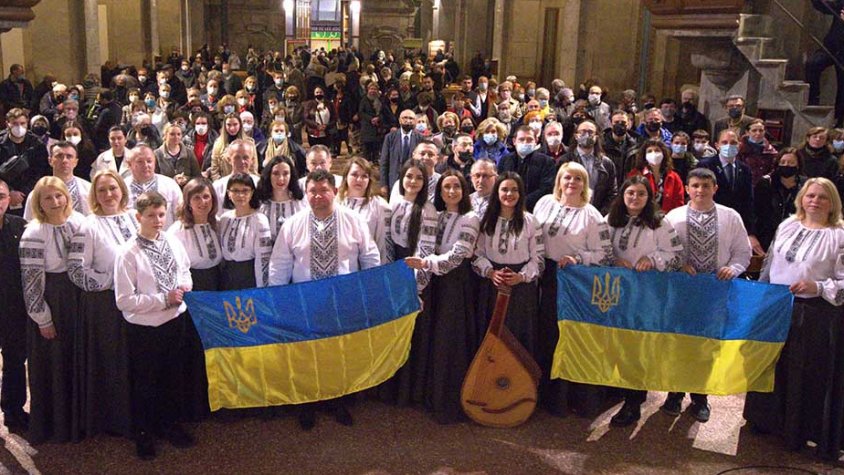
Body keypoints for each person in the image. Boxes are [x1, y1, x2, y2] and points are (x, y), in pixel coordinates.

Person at [269, 169, 380, 429]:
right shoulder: (293, 224)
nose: (318, 196)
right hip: (304, 301)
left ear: (334, 191)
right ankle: (307, 404)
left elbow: (370, 257)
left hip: (342, 300)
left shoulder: (354, 220)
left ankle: (337, 402)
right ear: (306, 194)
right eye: (313, 191)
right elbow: (280, 263)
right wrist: (277, 296)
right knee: (305, 355)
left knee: (338, 353)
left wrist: (371, 290)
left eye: (324, 190)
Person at [743, 177, 844, 461]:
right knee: (773, 364)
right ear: (801, 198)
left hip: (815, 314)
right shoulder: (787, 225)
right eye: (810, 195)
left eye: (822, 197)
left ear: (832, 203)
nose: (814, 201)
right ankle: (767, 421)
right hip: (777, 306)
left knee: (804, 371)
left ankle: (798, 430)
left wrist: (818, 287)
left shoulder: (839, 235)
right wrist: (761, 296)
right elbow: (770, 262)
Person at [664, 168, 752, 423]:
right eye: (695, 185)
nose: (700, 190)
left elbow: (742, 253)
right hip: (682, 291)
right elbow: (664, 250)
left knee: (708, 345)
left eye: (705, 185)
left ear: (715, 188)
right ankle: (674, 392)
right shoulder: (674, 216)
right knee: (679, 343)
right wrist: (678, 265)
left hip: (715, 292)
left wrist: (732, 268)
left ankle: (700, 396)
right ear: (688, 189)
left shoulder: (730, 217)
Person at [114, 191, 195, 460]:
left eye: (161, 214)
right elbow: (124, 300)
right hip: (145, 329)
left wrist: (184, 286)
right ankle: (143, 433)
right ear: (138, 217)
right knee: (145, 382)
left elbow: (185, 270)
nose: (158, 220)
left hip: (174, 321)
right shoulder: (128, 253)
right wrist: (163, 299)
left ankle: (170, 425)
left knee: (172, 377)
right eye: (151, 215)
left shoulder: (172, 240)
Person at [533, 162, 613, 417]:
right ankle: (539, 393)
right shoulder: (545, 202)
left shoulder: (592, 215)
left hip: (570, 280)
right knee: (542, 335)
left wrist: (579, 259)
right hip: (539, 273)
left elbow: (605, 253)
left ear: (585, 184)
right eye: (567, 177)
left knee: (562, 336)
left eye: (578, 179)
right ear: (559, 180)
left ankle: (562, 398)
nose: (572, 183)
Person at [605, 176, 684, 426]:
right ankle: (619, 388)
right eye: (630, 193)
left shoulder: (659, 223)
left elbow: (676, 256)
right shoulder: (611, 219)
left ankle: (634, 401)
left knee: (637, 345)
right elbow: (600, 246)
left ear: (649, 197)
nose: (634, 198)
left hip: (647, 293)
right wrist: (614, 260)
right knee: (618, 341)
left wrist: (652, 259)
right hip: (617, 291)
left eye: (640, 194)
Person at [404, 170, 480, 423]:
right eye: (446, 187)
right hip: (433, 281)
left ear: (463, 190)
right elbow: (424, 245)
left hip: (455, 282)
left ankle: (447, 399)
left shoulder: (470, 218)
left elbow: (459, 254)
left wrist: (426, 263)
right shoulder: (434, 215)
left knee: (450, 338)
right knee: (431, 336)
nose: (451, 192)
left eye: (456, 187)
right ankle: (427, 394)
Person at [66, 169, 136, 438]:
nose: (108, 195)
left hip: (135, 300)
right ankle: (113, 421)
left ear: (122, 190)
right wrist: (113, 281)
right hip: (104, 304)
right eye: (102, 190)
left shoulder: (133, 218)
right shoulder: (89, 225)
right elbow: (76, 269)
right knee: (110, 361)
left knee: (133, 358)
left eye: (113, 188)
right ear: (94, 195)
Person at [19, 176, 86, 443]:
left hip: (78, 297)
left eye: (59, 195)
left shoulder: (79, 222)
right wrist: (42, 318)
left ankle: (81, 421)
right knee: (55, 363)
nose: (55, 201)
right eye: (48, 198)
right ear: (39, 203)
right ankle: (56, 425)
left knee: (76, 358)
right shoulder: (34, 233)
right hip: (53, 299)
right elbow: (31, 281)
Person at [380, 159, 438, 406]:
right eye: (409, 177)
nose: (413, 182)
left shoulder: (428, 210)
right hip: (395, 269)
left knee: (414, 331)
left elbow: (424, 250)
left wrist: (417, 289)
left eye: (418, 178)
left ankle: (409, 392)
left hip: (414, 274)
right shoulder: (394, 204)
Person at [473, 172, 545, 365]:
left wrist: (521, 277)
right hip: (492, 285)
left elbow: (538, 259)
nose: (509, 194)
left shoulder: (530, 221)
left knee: (518, 338)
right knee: (490, 337)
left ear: (521, 194)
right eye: (504, 189)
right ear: (497, 192)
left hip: (521, 289)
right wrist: (490, 272)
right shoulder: (486, 220)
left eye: (514, 190)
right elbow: (477, 254)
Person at [168, 178, 222, 422]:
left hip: (216, 287)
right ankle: (194, 405)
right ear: (187, 201)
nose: (203, 202)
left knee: (214, 347)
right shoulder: (176, 231)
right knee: (192, 348)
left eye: (207, 196)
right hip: (193, 292)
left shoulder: (217, 224)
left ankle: (217, 400)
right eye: (197, 197)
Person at [697, 129, 763, 255]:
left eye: (733, 142)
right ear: (717, 145)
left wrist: (750, 233)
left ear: (739, 145)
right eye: (725, 142)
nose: (729, 146)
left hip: (734, 226)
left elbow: (748, 203)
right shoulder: (706, 165)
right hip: (709, 224)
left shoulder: (744, 169)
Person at [0, 179, 28, 431]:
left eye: (1, 196)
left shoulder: (21, 226)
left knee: (15, 361)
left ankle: (13, 410)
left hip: (12, 308)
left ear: (10, 199)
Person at [218, 173, 272, 289]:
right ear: (228, 193)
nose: (240, 195)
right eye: (235, 191)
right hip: (227, 277)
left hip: (250, 276)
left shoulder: (259, 220)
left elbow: (263, 259)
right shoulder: (224, 219)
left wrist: (262, 289)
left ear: (252, 193)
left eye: (245, 191)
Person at [337, 156, 390, 263]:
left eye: (364, 176)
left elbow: (383, 244)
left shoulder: (379, 205)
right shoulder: (335, 202)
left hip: (368, 266)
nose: (359, 180)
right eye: (354, 175)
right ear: (346, 176)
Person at [753, 147, 807, 252]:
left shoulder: (804, 185)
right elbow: (755, 211)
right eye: (783, 162)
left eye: (791, 163)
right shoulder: (766, 183)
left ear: (798, 165)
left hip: (794, 236)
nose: (786, 165)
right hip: (766, 236)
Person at [558, 120, 618, 214]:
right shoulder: (565, 161)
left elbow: (612, 193)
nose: (586, 135)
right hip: (569, 212)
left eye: (590, 132)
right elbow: (558, 189)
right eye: (582, 132)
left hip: (597, 214)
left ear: (596, 137)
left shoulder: (607, 163)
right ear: (576, 136)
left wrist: (600, 214)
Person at [23, 141, 91, 220]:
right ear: (50, 161)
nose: (64, 160)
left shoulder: (89, 189)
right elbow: (29, 223)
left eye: (69, 156)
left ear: (76, 162)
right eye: (59, 156)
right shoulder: (37, 193)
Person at [0, 108, 49, 216]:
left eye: (22, 123)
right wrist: (9, 192)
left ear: (27, 123)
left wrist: (24, 193)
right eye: (15, 123)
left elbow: (41, 172)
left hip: (30, 195)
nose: (19, 127)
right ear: (7, 123)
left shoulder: (37, 145)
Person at [124, 144, 183, 227]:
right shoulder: (122, 188)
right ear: (129, 164)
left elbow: (181, 217)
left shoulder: (170, 185)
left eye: (149, 161)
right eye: (140, 162)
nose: (146, 165)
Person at [806, 0, 844, 126]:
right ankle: (812, 100)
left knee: (842, 87)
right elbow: (827, 7)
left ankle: (839, 121)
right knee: (813, 64)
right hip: (832, 46)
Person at [257, 155, 307, 243]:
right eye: (276, 173)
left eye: (285, 173)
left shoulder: (301, 204)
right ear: (269, 175)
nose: (281, 178)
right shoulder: (260, 204)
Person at [627, 138, 685, 213]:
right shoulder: (635, 174)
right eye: (649, 151)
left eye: (657, 150)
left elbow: (679, 202)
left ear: (664, 154)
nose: (653, 153)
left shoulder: (674, 177)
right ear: (644, 155)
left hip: (668, 219)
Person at [380, 109, 423, 195]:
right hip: (393, 180)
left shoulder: (420, 138)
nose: (408, 120)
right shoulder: (390, 137)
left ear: (415, 121)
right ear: (399, 120)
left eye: (411, 118)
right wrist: (383, 184)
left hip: (412, 181)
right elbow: (384, 161)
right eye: (405, 118)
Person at [603, 110, 642, 187]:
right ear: (611, 124)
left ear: (628, 124)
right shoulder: (601, 143)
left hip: (628, 185)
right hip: (607, 186)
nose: (620, 125)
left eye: (623, 122)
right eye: (616, 122)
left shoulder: (637, 144)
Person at [737, 119, 778, 186]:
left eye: (761, 131)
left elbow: (774, 169)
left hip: (764, 187)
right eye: (754, 130)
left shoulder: (771, 151)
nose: (758, 133)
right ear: (747, 132)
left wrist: (766, 178)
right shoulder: (739, 150)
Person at [359, 83, 384, 164]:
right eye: (371, 89)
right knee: (367, 145)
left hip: (377, 126)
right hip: (367, 125)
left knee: (376, 144)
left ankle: (375, 159)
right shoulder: (364, 100)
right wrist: (371, 119)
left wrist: (378, 118)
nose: (372, 91)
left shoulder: (380, 100)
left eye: (374, 89)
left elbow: (384, 112)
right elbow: (361, 112)